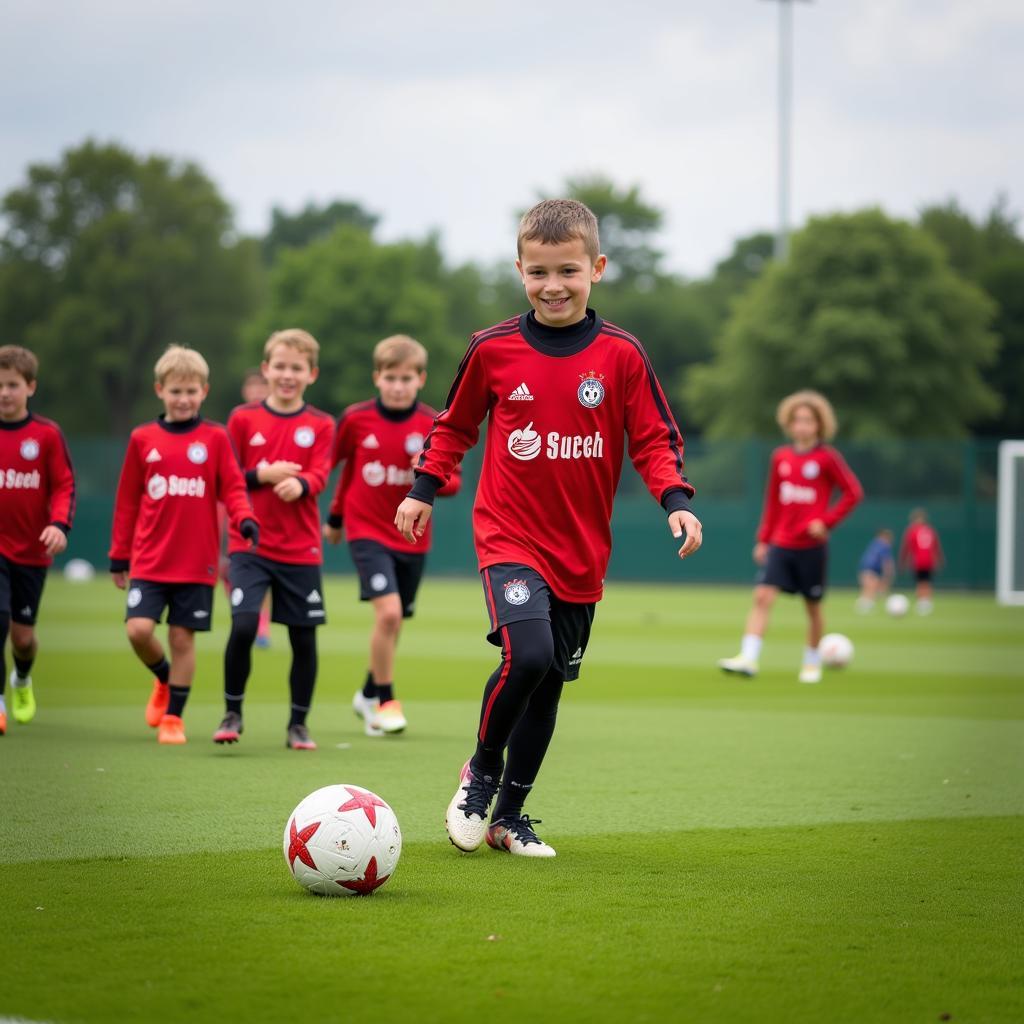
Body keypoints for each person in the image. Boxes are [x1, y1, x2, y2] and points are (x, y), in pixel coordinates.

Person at [395, 199, 702, 858]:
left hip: (581, 552)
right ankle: (480, 773)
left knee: (550, 680)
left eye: (568, 270)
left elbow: (652, 437)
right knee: (527, 656)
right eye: (538, 272)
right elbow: (453, 426)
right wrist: (424, 489)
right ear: (519, 270)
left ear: (597, 267)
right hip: (508, 534)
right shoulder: (492, 349)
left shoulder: (621, 355)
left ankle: (510, 817)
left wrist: (674, 498)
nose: (553, 285)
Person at [109, 345, 258, 745]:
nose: (183, 398)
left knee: (181, 638)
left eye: (191, 391)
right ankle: (163, 678)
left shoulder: (214, 437)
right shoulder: (143, 438)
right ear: (160, 390)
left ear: (204, 391)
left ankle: (174, 716)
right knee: (138, 630)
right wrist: (118, 555)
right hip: (148, 559)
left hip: (197, 562)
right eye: (176, 391)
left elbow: (234, 487)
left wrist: (244, 519)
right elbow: (126, 501)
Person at [324, 334, 461, 737]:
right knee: (388, 614)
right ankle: (386, 700)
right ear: (377, 378)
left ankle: (367, 694)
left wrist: (424, 468)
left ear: (420, 378)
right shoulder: (355, 419)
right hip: (366, 530)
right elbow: (345, 468)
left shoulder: (433, 424)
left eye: (406, 377)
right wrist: (335, 517)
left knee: (395, 621)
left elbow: (451, 485)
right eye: (390, 377)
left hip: (411, 537)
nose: (397, 385)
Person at [215, 328, 334, 750]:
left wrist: (302, 484)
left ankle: (298, 724)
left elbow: (321, 472)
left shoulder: (321, 423)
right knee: (245, 624)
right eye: (280, 366)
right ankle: (232, 712)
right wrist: (261, 476)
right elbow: (227, 477)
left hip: (301, 549)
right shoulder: (243, 418)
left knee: (303, 637)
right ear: (266, 369)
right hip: (250, 545)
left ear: (311, 374)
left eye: (296, 368)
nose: (287, 375)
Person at [719, 390, 863, 684]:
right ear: (788, 423)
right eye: (797, 420)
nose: (802, 426)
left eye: (808, 420)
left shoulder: (826, 458)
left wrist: (827, 521)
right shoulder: (781, 457)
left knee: (812, 607)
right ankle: (748, 658)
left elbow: (853, 492)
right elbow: (772, 501)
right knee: (762, 597)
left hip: (811, 547)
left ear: (819, 425)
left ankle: (811, 663)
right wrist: (763, 539)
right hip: (781, 543)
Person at [0, 345, 76, 737]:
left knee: (23, 638)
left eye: (12, 385)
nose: (4, 393)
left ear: (30, 386)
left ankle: (22, 678)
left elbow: (64, 485)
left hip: (30, 552)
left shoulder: (45, 435)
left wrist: (59, 524)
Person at [220, 368, 273, 649]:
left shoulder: (280, 419)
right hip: (237, 506)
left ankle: (261, 624)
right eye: (252, 387)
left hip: (271, 511)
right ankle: (247, 613)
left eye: (261, 386)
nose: (256, 392)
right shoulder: (239, 420)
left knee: (263, 566)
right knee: (229, 568)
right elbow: (227, 469)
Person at [899, 508, 943, 615]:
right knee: (926, 581)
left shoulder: (912, 531)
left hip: (919, 561)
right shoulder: (930, 530)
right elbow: (936, 547)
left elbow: (907, 547)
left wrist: (903, 561)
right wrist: (939, 559)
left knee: (921, 581)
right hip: (929, 561)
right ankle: (926, 602)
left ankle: (922, 602)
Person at [856, 528, 894, 612]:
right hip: (871, 568)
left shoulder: (875, 543)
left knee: (869, 587)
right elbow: (886, 561)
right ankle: (866, 604)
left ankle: (865, 603)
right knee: (871, 587)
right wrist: (888, 574)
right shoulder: (883, 545)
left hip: (867, 568)